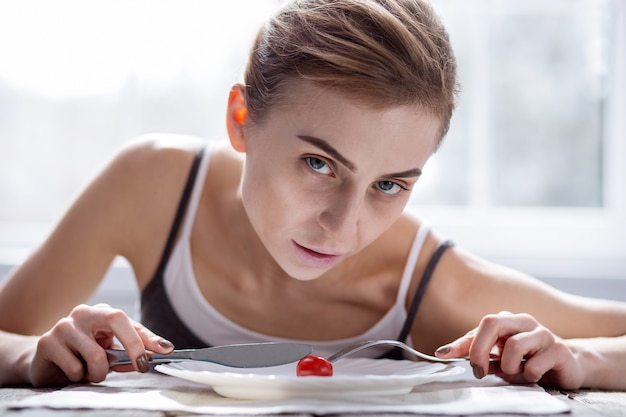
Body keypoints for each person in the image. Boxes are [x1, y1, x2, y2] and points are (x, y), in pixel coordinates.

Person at [1, 0, 625, 389]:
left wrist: (580, 360)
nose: (343, 226)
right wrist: (32, 355)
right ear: (241, 118)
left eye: (388, 185)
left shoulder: (428, 282)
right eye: (319, 164)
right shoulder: (151, 188)